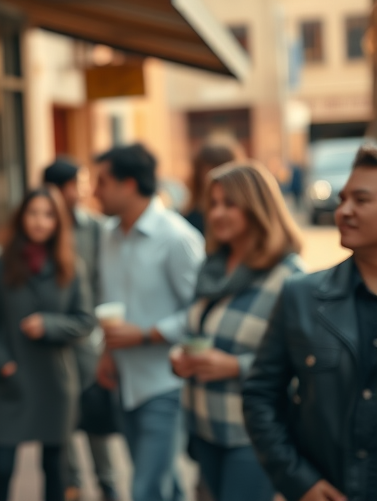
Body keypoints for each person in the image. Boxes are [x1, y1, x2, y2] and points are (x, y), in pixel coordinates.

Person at [161, 162, 304, 501]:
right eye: (212, 204)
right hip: (204, 425)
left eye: (229, 204)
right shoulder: (211, 267)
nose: (217, 213)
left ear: (256, 208)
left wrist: (235, 366)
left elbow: (303, 366)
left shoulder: (289, 277)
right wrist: (180, 357)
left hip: (252, 434)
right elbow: (197, 329)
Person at [244, 143, 377, 501]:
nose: (343, 210)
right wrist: (299, 480)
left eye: (361, 200)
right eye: (342, 198)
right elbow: (260, 396)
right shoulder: (300, 296)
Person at [94, 143, 204, 501]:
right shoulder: (108, 236)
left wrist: (147, 334)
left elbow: (202, 311)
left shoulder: (177, 237)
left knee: (145, 490)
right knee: (165, 485)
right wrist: (107, 354)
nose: (94, 191)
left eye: (102, 181)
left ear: (128, 184)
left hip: (166, 384)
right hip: (124, 382)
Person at [0, 187, 97, 501]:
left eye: (48, 215)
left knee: (54, 467)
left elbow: (85, 321)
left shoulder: (71, 267)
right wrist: (2, 363)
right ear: (21, 218)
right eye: (33, 213)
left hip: (55, 382)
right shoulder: (0, 266)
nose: (40, 222)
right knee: (3, 466)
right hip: (12, 380)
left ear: (58, 222)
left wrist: (49, 324)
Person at [43, 158, 119, 501]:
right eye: (77, 184)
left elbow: (104, 282)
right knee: (62, 425)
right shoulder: (40, 228)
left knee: (95, 416)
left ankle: (110, 486)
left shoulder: (96, 228)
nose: (83, 191)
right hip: (52, 344)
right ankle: (71, 487)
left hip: (88, 337)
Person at [185, 139, 242, 235]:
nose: (217, 179)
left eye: (229, 204)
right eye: (210, 171)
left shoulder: (244, 215)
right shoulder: (189, 220)